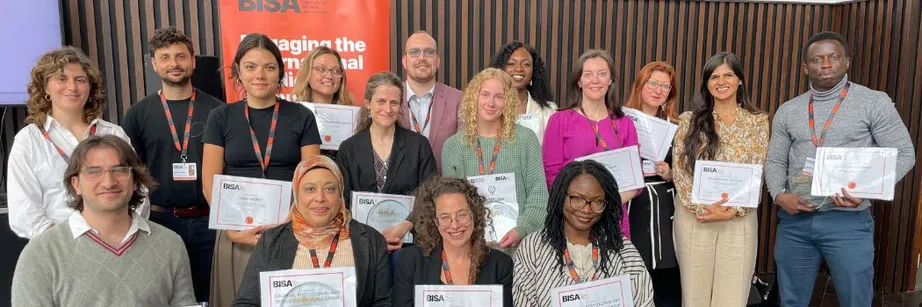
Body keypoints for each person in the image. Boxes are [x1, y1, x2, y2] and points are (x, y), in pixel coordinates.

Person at [766, 31, 915, 307]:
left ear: (846, 61)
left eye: (833, 57)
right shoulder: (789, 110)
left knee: (855, 300)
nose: (825, 65)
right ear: (805, 67)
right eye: (817, 59)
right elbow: (775, 161)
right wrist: (778, 194)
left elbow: (904, 153)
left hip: (848, 221)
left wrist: (867, 190)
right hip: (795, 223)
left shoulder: (873, 102)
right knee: (791, 301)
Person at [202, 33, 322, 306]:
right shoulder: (220, 117)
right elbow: (209, 182)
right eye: (250, 66)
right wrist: (231, 229)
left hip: (293, 227)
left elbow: (312, 177)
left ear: (280, 72)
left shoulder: (301, 116)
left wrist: (293, 224)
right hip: (236, 230)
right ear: (238, 72)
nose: (260, 75)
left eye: (269, 67)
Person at [12, 135, 195, 306]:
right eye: (94, 172)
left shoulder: (170, 244)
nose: (108, 182)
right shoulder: (41, 254)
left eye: (119, 170)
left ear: (135, 182)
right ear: (76, 184)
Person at [121, 27, 223, 302]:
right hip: (159, 221)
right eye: (165, 57)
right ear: (154, 64)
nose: (174, 63)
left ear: (193, 61)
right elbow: (131, 173)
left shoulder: (218, 111)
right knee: (164, 296)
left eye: (180, 56)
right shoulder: (137, 114)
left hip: (209, 221)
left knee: (209, 296)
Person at [7, 46, 147, 239]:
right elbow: (23, 213)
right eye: (61, 79)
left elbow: (138, 192)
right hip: (57, 250)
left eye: (80, 80)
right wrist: (67, 246)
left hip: (116, 244)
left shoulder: (114, 133)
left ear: (90, 88)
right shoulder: (28, 141)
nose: (72, 87)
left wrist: (120, 236)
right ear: (46, 87)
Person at [672, 52, 768, 306]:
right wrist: (703, 208)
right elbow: (680, 172)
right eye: (714, 76)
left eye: (728, 75)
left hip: (738, 220)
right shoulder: (688, 121)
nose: (721, 81)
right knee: (695, 297)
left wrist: (733, 210)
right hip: (696, 217)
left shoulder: (758, 123)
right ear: (706, 83)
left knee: (733, 297)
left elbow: (757, 171)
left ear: (740, 81)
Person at [233, 156, 391, 306]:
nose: (320, 197)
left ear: (340, 194)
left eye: (330, 189)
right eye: (310, 189)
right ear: (297, 195)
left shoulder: (371, 240)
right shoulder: (271, 240)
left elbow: (384, 302)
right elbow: (246, 302)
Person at [512, 160, 654, 307]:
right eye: (577, 198)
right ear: (561, 196)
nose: (586, 210)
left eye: (597, 201)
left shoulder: (622, 248)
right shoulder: (533, 247)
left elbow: (645, 301)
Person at [440, 68, 548, 251]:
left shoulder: (526, 139)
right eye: (485, 95)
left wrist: (522, 229)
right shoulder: (453, 146)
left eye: (499, 96)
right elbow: (451, 203)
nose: (491, 103)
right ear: (474, 97)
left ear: (508, 101)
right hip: (470, 247)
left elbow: (538, 194)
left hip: (520, 247)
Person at [542, 49, 640, 239]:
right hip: (573, 219)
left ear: (610, 80)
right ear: (579, 81)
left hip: (613, 219)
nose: (595, 80)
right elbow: (552, 177)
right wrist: (582, 207)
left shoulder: (625, 123)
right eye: (588, 74)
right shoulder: (559, 121)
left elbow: (636, 180)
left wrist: (604, 204)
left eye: (602, 74)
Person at [393, 176, 513, 306]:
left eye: (461, 214)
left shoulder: (501, 265)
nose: (454, 225)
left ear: (475, 215)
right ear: (434, 221)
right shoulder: (411, 261)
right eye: (445, 217)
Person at [623, 61, 682, 306]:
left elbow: (689, 172)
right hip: (631, 204)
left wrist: (671, 173)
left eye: (665, 87)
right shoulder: (621, 120)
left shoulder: (677, 126)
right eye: (653, 83)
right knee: (633, 273)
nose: (658, 90)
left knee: (667, 274)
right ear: (640, 85)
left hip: (664, 208)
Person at [335, 72, 437, 206]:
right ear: (367, 103)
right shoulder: (348, 149)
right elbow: (343, 199)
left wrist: (406, 224)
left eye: (394, 103)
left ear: (400, 106)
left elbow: (429, 195)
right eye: (381, 101)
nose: (388, 109)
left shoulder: (419, 146)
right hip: (360, 227)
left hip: (409, 226)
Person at [396, 31, 462, 172]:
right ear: (404, 61)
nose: (422, 58)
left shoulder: (458, 100)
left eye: (429, 52)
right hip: (399, 191)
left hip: (444, 189)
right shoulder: (390, 99)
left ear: (437, 61)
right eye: (414, 52)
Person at [291, 46, 356, 160]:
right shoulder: (293, 115)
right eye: (321, 69)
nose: (330, 76)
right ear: (307, 73)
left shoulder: (353, 118)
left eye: (336, 71)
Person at [489, 41, 557, 143]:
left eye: (526, 64)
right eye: (511, 63)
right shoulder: (488, 107)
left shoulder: (549, 112)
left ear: (534, 72)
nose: (519, 69)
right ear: (501, 69)